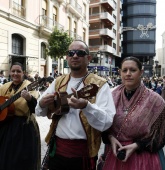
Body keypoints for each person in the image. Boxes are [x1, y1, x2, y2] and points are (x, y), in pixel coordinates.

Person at [35, 40, 116, 170]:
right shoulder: (58, 81)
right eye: (71, 53)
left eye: (80, 53)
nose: (75, 56)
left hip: (82, 153)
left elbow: (106, 122)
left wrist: (86, 106)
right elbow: (40, 112)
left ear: (88, 58)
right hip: (57, 150)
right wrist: (42, 103)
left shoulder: (100, 84)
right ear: (67, 57)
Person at [101, 57, 165, 170]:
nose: (128, 74)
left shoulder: (156, 100)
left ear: (141, 72)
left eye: (132, 70)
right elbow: (103, 125)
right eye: (124, 70)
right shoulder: (110, 96)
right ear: (120, 72)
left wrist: (137, 145)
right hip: (114, 155)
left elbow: (161, 134)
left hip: (144, 159)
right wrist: (110, 138)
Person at [0, 62, 41, 170]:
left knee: (21, 160)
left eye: (18, 71)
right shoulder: (5, 87)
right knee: (5, 157)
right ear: (9, 72)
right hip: (6, 125)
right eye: (13, 71)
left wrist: (29, 99)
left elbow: (35, 109)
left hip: (24, 128)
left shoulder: (30, 87)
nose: (15, 73)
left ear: (24, 73)